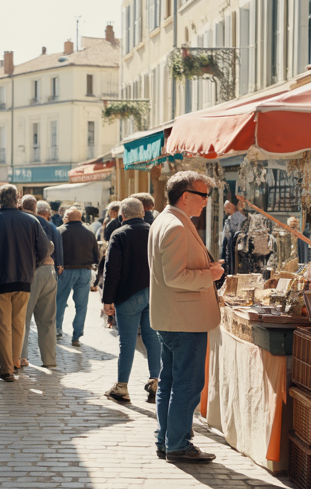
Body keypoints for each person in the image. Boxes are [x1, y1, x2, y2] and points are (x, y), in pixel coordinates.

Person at [148, 171, 223, 464]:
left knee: (170, 382)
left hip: (174, 317)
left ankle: (167, 439)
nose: (206, 202)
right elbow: (175, 276)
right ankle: (178, 444)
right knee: (187, 385)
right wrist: (211, 275)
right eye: (204, 196)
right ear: (186, 196)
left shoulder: (167, 221)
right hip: (184, 319)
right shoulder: (175, 226)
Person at [0, 184, 50, 381]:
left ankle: (6, 368)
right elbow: (45, 249)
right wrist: (32, 267)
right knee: (18, 324)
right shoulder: (31, 221)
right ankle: (15, 361)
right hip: (23, 280)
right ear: (18, 198)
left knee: (3, 326)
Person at [102, 197, 161, 404]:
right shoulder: (154, 231)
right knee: (152, 338)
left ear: (122, 216)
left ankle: (122, 387)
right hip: (153, 293)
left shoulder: (119, 234)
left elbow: (112, 270)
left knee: (127, 342)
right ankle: (156, 381)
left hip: (128, 295)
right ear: (143, 214)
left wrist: (107, 299)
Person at [18, 195, 62, 369]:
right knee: (48, 319)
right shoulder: (48, 224)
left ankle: (22, 357)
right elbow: (55, 247)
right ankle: (49, 359)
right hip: (49, 271)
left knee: (24, 317)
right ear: (36, 207)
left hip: (32, 270)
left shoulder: (22, 221)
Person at [56, 206, 100, 346]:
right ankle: (77, 335)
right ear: (80, 218)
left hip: (65, 271)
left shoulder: (60, 231)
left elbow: (55, 252)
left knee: (60, 302)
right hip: (84, 271)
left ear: (67, 218)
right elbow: (96, 254)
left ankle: (57, 329)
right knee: (81, 305)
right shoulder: (89, 231)